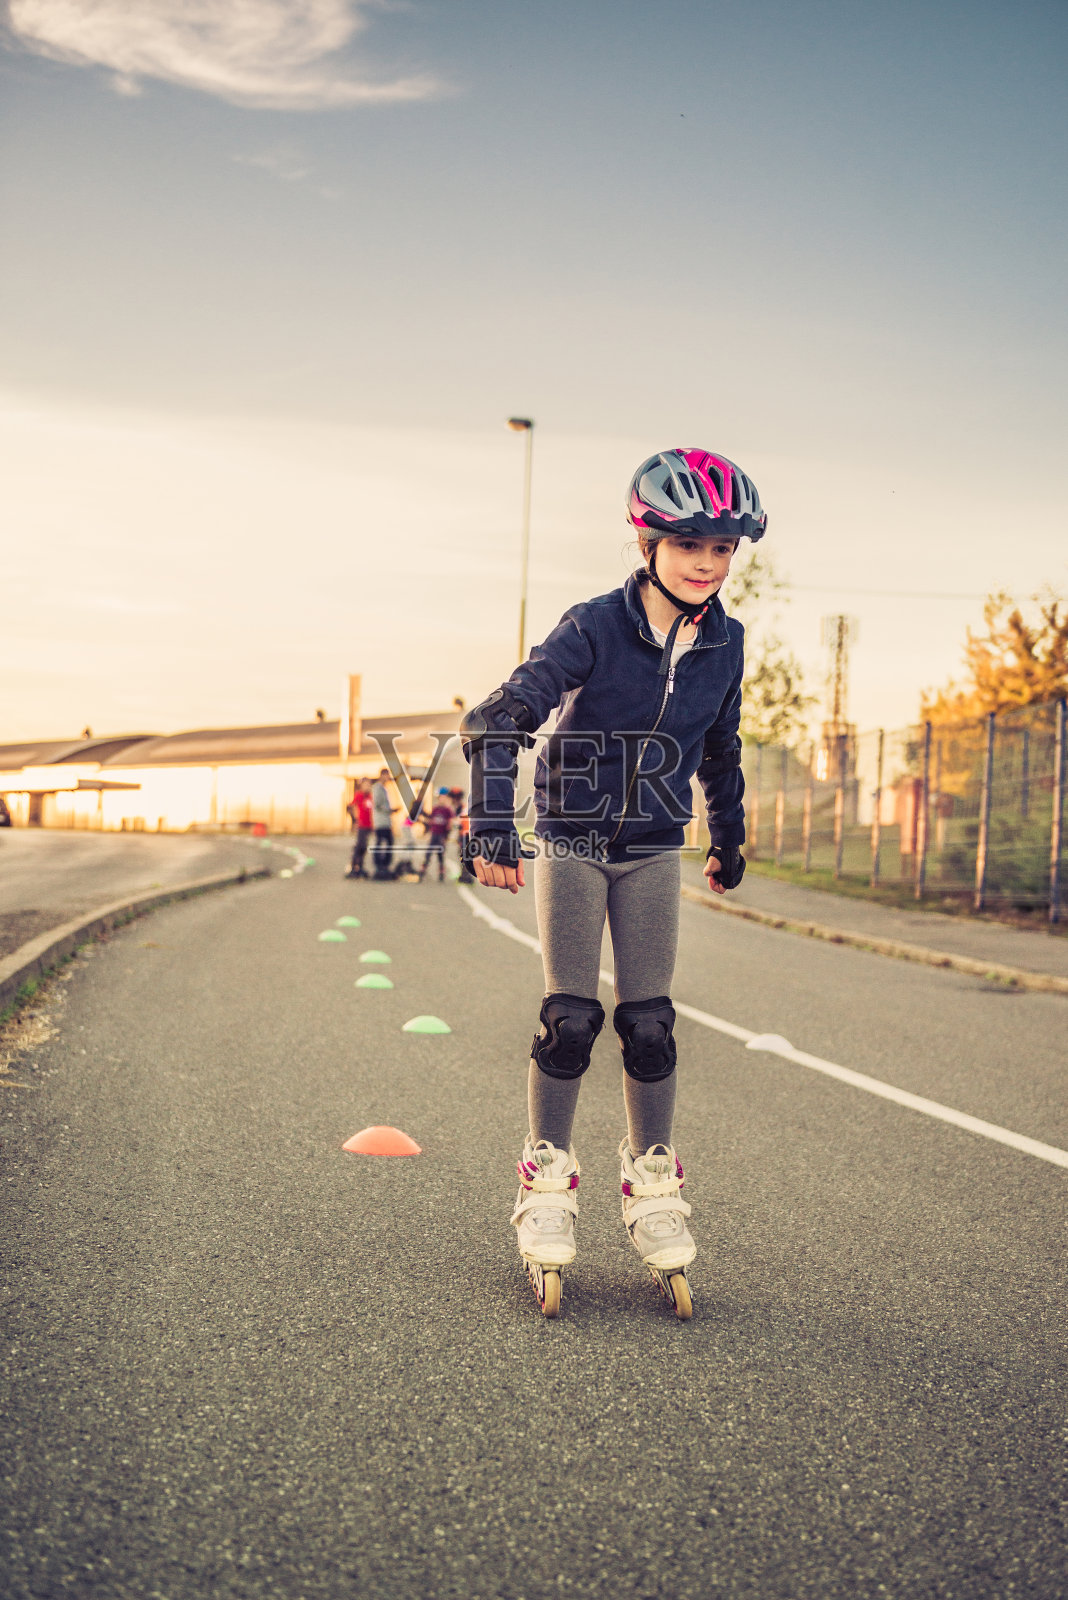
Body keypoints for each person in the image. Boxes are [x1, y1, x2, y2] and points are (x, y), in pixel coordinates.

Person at [460, 448, 766, 1319]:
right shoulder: (594, 624)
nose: (707, 562)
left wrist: (729, 833)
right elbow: (499, 718)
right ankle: (547, 1178)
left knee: (650, 1024)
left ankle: (654, 1180)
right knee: (571, 1019)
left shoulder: (729, 643)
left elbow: (721, 745)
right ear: (650, 540)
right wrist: (492, 824)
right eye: (690, 544)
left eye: (722, 547)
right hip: (575, 834)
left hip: (656, 842)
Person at [417, 787, 454, 881]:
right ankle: (422, 870)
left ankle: (441, 872)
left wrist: (447, 836)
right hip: (434, 833)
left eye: (444, 797)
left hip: (442, 834)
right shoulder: (435, 809)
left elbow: (450, 823)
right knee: (428, 853)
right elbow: (431, 820)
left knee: (440, 854)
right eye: (441, 797)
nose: (442, 799)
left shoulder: (447, 810)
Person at [370, 768, 398, 880]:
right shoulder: (377, 788)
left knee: (389, 843)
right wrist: (390, 810)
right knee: (380, 844)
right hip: (380, 822)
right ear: (382, 775)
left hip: (386, 822)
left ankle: (385, 865)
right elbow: (377, 804)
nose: (387, 778)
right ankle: (379, 866)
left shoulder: (384, 788)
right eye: (386, 775)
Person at [345, 778, 374, 879]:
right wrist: (355, 820)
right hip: (361, 825)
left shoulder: (370, 796)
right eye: (365, 785)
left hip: (369, 825)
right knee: (359, 846)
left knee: (364, 846)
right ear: (361, 786)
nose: (367, 787)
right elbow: (351, 806)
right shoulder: (359, 795)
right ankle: (353, 866)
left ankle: (360, 866)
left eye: (369, 785)